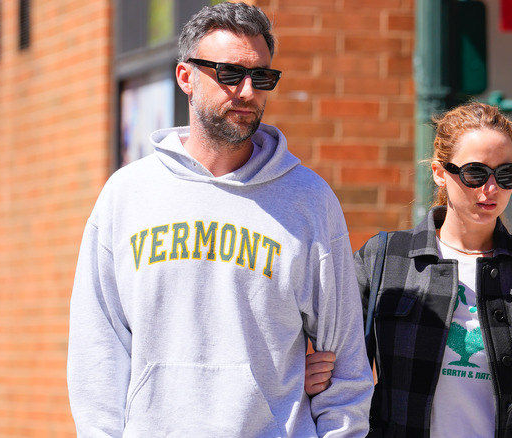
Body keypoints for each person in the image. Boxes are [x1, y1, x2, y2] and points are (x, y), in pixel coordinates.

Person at [66, 2, 373, 436]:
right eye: (229, 74)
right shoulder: (127, 195)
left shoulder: (308, 200)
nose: (247, 91)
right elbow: (98, 349)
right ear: (185, 77)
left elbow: (346, 366)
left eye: (261, 77)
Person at [306, 102, 512, 437]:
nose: (491, 189)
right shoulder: (384, 258)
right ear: (440, 171)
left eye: (505, 174)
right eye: (475, 173)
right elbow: (342, 378)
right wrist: (308, 375)